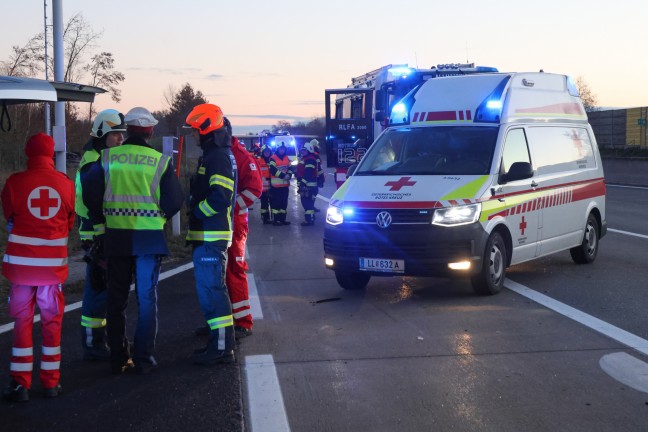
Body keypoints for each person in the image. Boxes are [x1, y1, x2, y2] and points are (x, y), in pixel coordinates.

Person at [83, 107, 184, 375]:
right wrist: (158, 217)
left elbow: (90, 195)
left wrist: (102, 223)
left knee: (116, 301)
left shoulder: (106, 159)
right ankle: (144, 358)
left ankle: (118, 358)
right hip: (149, 241)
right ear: (150, 131)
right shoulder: (160, 161)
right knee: (147, 300)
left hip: (116, 240)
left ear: (127, 130)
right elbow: (174, 201)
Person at [2, 133, 75, 402]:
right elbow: (68, 222)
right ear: (52, 153)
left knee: (22, 323)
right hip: (51, 272)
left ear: (27, 153)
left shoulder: (14, 183)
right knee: (51, 323)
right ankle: (50, 384)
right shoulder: (65, 185)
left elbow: (9, 216)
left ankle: (20, 385)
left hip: (21, 271)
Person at [185, 103, 237, 366]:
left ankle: (221, 348)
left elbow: (222, 197)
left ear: (206, 129)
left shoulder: (217, 157)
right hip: (208, 234)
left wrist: (198, 213)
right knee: (210, 290)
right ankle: (218, 342)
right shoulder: (216, 154)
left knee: (213, 291)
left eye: (195, 130)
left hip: (210, 234)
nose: (193, 135)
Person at [75, 109, 126, 361]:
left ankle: (96, 342)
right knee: (97, 290)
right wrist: (99, 235)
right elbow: (90, 203)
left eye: (122, 135)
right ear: (101, 134)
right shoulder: (93, 163)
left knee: (101, 289)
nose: (120, 139)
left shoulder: (99, 158)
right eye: (115, 134)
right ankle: (93, 345)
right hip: (95, 236)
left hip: (99, 234)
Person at [268, 142, 292, 226]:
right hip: (276, 186)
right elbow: (273, 170)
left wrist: (289, 174)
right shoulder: (273, 158)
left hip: (285, 185)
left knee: (284, 203)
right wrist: (283, 175)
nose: (282, 150)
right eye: (281, 149)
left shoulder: (286, 158)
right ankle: (276, 220)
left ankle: (283, 219)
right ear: (278, 149)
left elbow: (290, 168)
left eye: (284, 149)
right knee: (276, 203)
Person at [296, 141, 319, 226]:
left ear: (309, 150)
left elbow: (308, 173)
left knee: (307, 204)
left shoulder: (310, 160)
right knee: (308, 203)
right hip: (307, 186)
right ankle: (311, 218)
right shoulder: (306, 159)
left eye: (304, 150)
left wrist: (302, 183)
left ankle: (309, 220)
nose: (302, 151)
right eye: (302, 150)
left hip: (309, 187)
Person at [256, 145, 273, 224]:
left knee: (273, 202)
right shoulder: (259, 161)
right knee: (264, 203)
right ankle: (265, 218)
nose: (267, 153)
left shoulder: (272, 160)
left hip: (273, 185)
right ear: (262, 152)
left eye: (268, 152)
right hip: (263, 186)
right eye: (265, 152)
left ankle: (273, 217)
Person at [311, 139, 324, 213]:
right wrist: (321, 177)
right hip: (315, 177)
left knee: (314, 193)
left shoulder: (313, 154)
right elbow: (318, 168)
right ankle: (311, 207)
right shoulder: (315, 155)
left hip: (314, 177)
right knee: (314, 192)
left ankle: (311, 206)